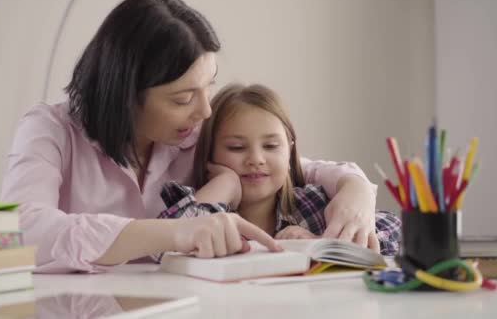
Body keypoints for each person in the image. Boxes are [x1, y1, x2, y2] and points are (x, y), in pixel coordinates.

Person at [1, 0, 379, 273]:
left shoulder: (195, 137)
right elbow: (22, 230)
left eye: (209, 86)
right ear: (127, 95)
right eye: (183, 99)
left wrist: (356, 190)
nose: (206, 110)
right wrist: (175, 233)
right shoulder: (49, 131)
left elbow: (293, 165)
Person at [158, 84, 401, 256]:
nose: (256, 159)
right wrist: (224, 185)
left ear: (289, 151)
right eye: (237, 147)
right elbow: (163, 247)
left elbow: (394, 231)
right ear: (210, 152)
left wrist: (321, 246)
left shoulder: (312, 204)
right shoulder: (200, 208)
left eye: (271, 146)